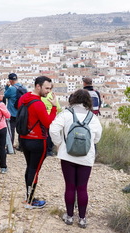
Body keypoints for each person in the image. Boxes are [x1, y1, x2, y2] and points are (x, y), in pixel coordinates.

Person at [49, 89, 102, 228]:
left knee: (70, 186)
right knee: (82, 188)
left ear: (73, 99)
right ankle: (82, 219)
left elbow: (53, 129)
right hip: (86, 157)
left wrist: (59, 143)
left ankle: (69, 217)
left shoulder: (66, 114)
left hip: (67, 155)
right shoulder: (93, 117)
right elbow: (97, 138)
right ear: (88, 102)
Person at [17, 76, 57, 209]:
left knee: (30, 167)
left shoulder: (24, 98)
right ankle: (30, 201)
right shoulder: (39, 104)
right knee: (35, 170)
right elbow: (49, 123)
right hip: (38, 141)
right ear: (38, 86)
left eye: (50, 89)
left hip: (24, 138)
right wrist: (54, 108)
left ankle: (28, 196)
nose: (48, 91)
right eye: (46, 88)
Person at [4, 73, 27, 150]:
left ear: (10, 81)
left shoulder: (11, 88)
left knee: (11, 130)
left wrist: (7, 86)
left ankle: (10, 147)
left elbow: (5, 95)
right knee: (20, 130)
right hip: (21, 112)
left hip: (12, 113)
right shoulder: (23, 87)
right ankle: (21, 146)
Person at [41, 84, 61, 156]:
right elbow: (58, 108)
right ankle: (49, 151)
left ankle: (43, 150)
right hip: (51, 117)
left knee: (43, 134)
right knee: (50, 134)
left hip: (42, 117)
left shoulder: (41, 96)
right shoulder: (52, 96)